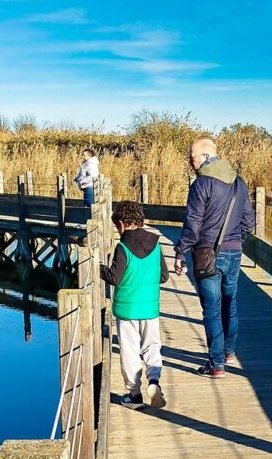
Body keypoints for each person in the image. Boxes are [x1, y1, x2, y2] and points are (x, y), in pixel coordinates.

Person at [173, 138, 253, 378]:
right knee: (230, 301)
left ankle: (216, 364)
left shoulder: (201, 184)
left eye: (193, 157)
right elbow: (249, 221)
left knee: (212, 309)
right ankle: (228, 352)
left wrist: (180, 251)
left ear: (207, 156)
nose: (190, 161)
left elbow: (193, 223)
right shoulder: (239, 183)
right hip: (234, 251)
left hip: (207, 253)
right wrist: (237, 240)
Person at [101, 202, 169, 407]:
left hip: (127, 309)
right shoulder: (156, 244)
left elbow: (114, 277)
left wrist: (99, 268)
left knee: (130, 350)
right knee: (152, 346)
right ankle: (154, 380)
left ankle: (134, 394)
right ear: (141, 221)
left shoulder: (122, 247)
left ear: (121, 224)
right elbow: (164, 276)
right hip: (150, 308)